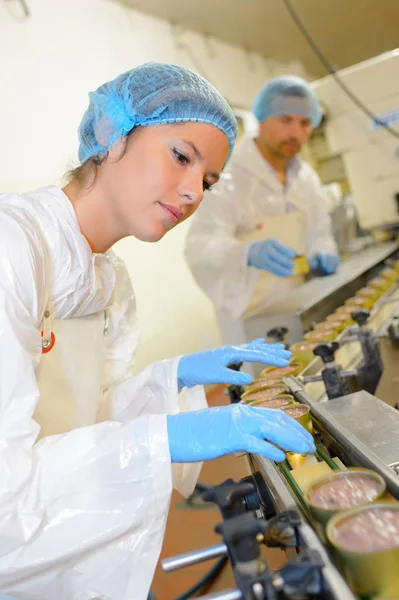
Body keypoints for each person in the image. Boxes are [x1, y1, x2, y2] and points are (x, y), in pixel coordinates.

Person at [0, 63, 315, 600]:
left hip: (75, 557)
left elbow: (87, 418)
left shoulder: (108, 280)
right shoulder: (13, 249)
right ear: (113, 133)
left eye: (208, 181)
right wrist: (167, 438)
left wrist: (173, 376)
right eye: (181, 155)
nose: (193, 193)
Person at [185, 75, 340, 345]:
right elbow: (200, 247)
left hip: (301, 303)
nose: (296, 133)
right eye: (285, 120)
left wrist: (323, 251)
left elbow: (320, 231)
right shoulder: (228, 177)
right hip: (249, 317)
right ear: (262, 119)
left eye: (304, 123)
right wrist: (247, 253)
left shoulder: (306, 178)